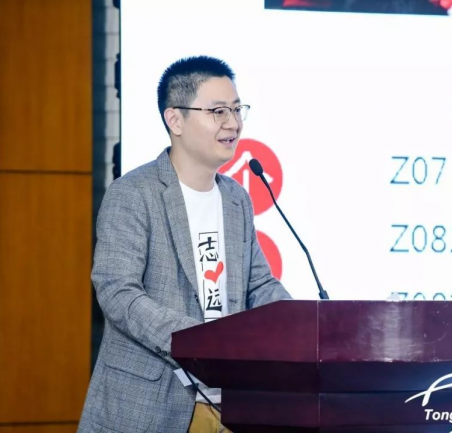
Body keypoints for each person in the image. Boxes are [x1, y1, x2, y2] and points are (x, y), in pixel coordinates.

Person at [77, 55, 292, 433]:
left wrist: (301, 323)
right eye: (218, 111)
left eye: (237, 109)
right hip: (148, 405)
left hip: (229, 403)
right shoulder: (134, 193)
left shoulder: (236, 198)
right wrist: (198, 341)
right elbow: (117, 292)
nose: (233, 123)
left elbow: (258, 284)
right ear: (175, 120)